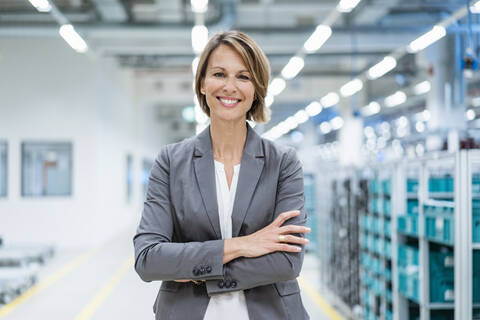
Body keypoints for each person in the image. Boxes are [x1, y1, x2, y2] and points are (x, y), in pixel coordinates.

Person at [133, 30, 310, 320]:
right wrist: (244, 245)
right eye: (219, 74)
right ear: (202, 83)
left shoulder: (283, 163)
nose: (230, 87)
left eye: (243, 77)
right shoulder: (170, 161)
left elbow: (287, 262)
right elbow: (149, 259)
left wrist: (196, 269)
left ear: (256, 89)